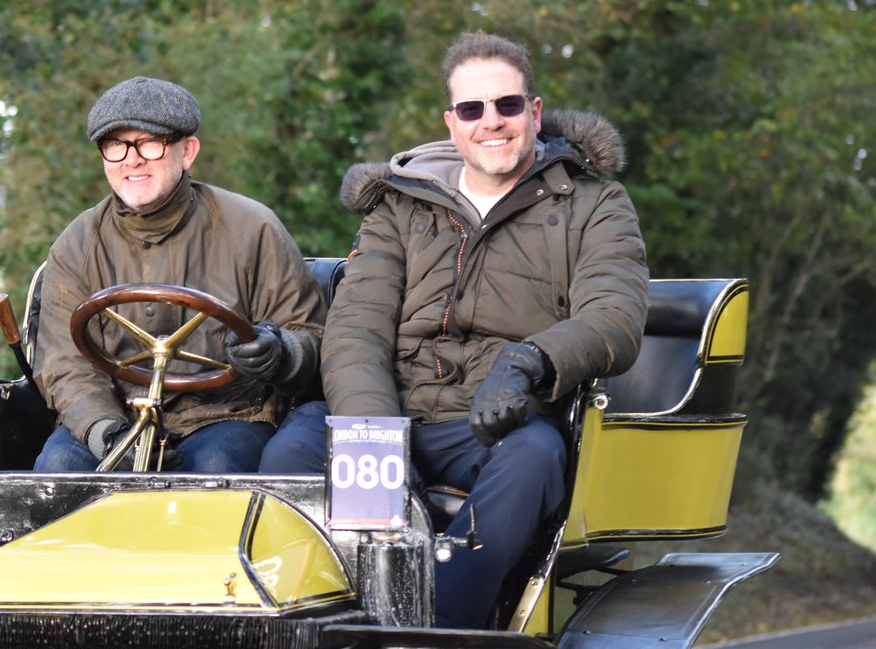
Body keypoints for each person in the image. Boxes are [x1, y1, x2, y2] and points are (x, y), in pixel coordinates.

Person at [259, 31, 649, 629]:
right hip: (391, 411)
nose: (491, 122)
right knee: (289, 447)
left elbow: (614, 319)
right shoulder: (398, 208)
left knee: (535, 459)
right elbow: (355, 330)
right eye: (472, 109)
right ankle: (317, 624)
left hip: (495, 421)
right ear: (452, 123)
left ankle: (435, 629)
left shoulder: (597, 204)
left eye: (507, 105)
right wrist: (378, 443)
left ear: (534, 113)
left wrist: (528, 363)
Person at [32, 76, 326, 474]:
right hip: (118, 416)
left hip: (228, 415)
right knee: (58, 468)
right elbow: (65, 365)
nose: (132, 159)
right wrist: (107, 433)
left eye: (150, 143)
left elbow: (310, 334)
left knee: (217, 469)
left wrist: (280, 352)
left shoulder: (252, 228)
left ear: (187, 151)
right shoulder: (75, 246)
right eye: (116, 145)